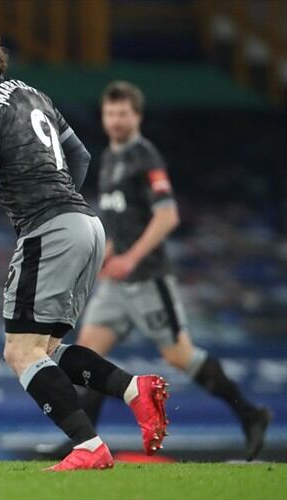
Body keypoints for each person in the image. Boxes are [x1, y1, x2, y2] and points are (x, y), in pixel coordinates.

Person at [0, 13, 169, 471]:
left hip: (52, 229)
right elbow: (81, 154)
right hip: (87, 225)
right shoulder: (33, 93)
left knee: (19, 351)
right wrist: (63, 200)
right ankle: (134, 389)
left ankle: (87, 445)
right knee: (44, 350)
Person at [74, 80, 271, 461]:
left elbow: (167, 215)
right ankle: (84, 443)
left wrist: (130, 258)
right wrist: (106, 257)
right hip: (117, 284)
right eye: (110, 113)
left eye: (123, 113)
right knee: (87, 356)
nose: (115, 120)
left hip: (148, 278)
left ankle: (251, 415)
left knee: (180, 356)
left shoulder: (145, 157)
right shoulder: (112, 159)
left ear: (138, 116)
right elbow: (121, 224)